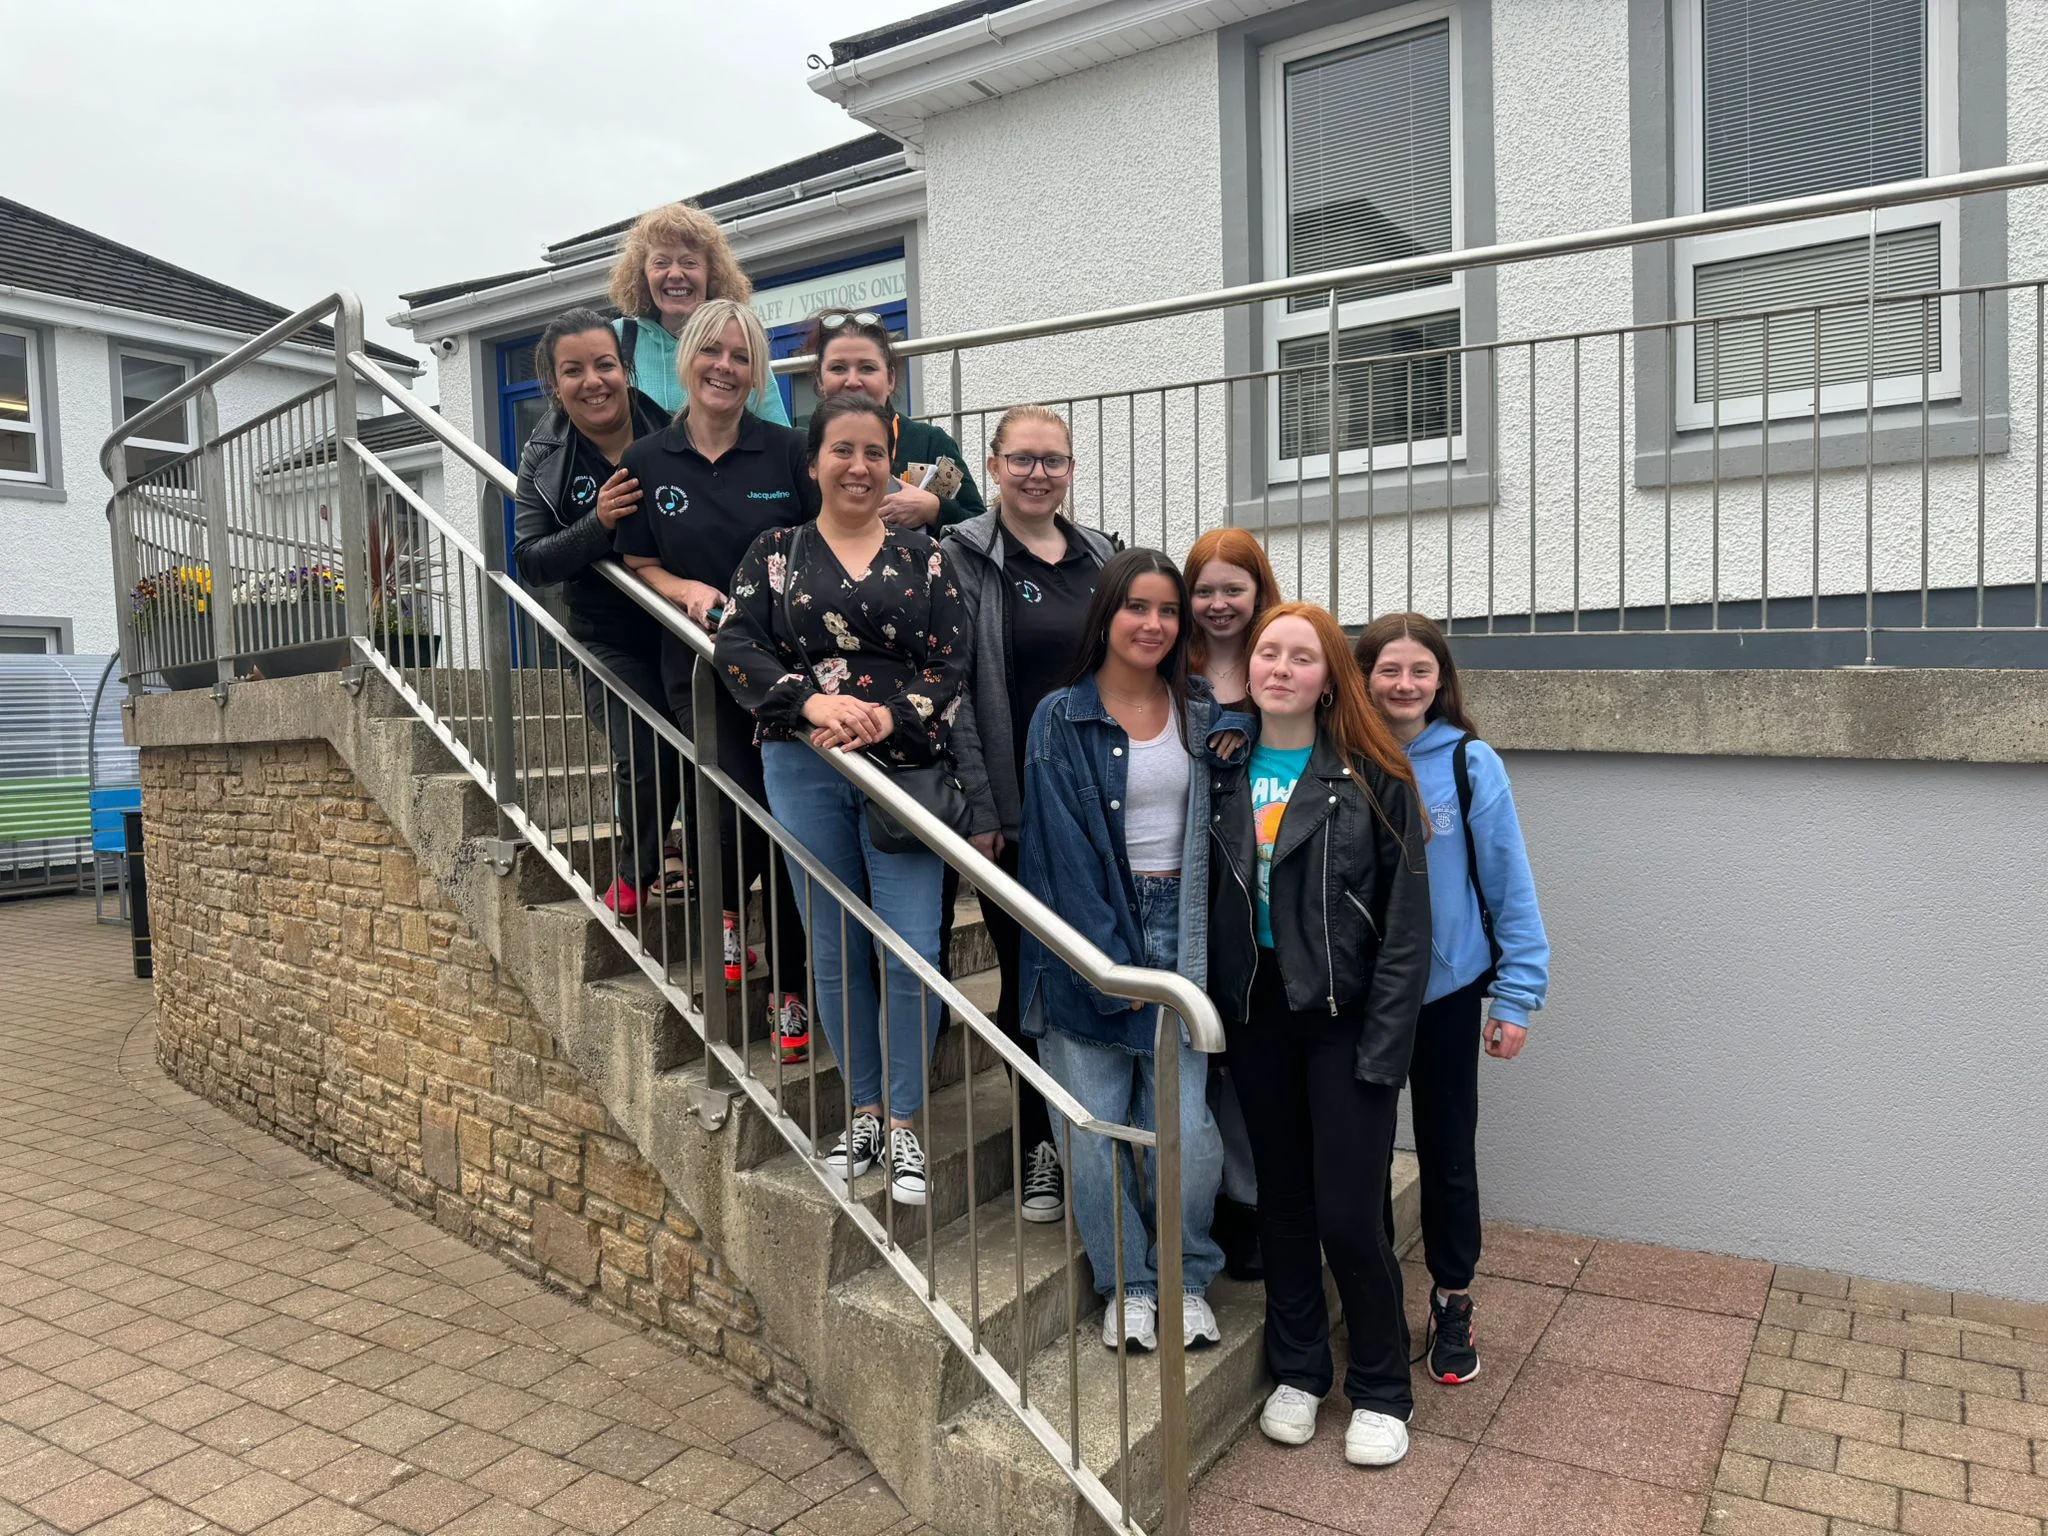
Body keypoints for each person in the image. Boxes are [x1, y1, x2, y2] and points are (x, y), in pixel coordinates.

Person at [713, 394, 978, 1206]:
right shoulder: (773, 552)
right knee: (831, 945)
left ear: (890, 458)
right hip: (804, 761)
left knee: (910, 948)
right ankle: (861, 1110)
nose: (859, 467)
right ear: (814, 461)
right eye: (841, 451)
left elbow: (951, 663)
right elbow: (735, 644)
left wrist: (888, 716)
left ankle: (903, 1125)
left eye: (873, 452)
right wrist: (813, 703)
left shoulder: (927, 557)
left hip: (904, 768)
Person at [1209, 601, 1430, 1469]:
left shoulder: (1376, 774)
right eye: (1269, 652)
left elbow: (1408, 928)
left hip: (1345, 1024)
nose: (1281, 668)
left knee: (1349, 1212)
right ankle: (1298, 1371)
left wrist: (1386, 1047)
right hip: (1259, 1015)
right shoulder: (1222, 766)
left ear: (1329, 675)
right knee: (1285, 1206)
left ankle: (1381, 1385)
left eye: (1302, 656)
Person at [1018, 549, 1234, 1355]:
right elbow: (1060, 856)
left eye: (1168, 611)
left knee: (1186, 1127)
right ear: (1105, 614)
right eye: (1137, 607)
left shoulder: (1206, 711)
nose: (1153, 624)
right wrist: (1112, 967)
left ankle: (1185, 1276)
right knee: (1095, 1129)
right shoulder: (1060, 717)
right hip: (1089, 932)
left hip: (1185, 926)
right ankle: (1129, 1285)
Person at [615, 299, 813, 1061]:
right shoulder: (648, 460)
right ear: (686, 361)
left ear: (754, 370)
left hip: (785, 671)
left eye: (740, 355)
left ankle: (790, 996)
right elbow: (639, 560)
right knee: (729, 805)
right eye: (711, 352)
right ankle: (728, 914)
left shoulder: (788, 451)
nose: (725, 367)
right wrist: (685, 590)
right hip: (697, 670)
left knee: (789, 824)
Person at [1356, 612, 1549, 1388]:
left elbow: (1509, 883)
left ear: (1442, 681)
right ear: (1363, 676)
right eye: (1388, 670)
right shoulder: (1339, 757)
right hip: (1362, 997)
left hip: (1446, 991)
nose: (1404, 685)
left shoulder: (1471, 763)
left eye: (1420, 672)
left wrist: (1516, 995)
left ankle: (1452, 1297)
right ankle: (1373, 1300)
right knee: (1362, 1157)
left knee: (1447, 1151)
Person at [945, 404, 1118, 1228]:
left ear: (1071, 468)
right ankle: (1040, 1147)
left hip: (1101, 812)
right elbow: (957, 695)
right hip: (1015, 815)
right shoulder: (962, 557)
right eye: (1022, 459)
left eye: (1053, 460)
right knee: (1026, 986)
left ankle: (1109, 1135)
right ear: (995, 463)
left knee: (1100, 975)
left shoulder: (1104, 559)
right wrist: (981, 804)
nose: (1038, 474)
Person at [510, 309, 676, 915]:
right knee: (646, 747)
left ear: (624, 368)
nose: (593, 380)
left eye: (604, 364)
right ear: (554, 385)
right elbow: (531, 559)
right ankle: (636, 873)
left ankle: (722, 892)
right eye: (573, 370)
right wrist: (599, 523)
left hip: (681, 628)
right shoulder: (545, 453)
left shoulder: (673, 431)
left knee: (712, 751)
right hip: (608, 636)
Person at [1180, 528, 1284, 1280]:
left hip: (1258, 887)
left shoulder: (1276, 666)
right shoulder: (1167, 668)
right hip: (1183, 880)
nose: (1218, 604)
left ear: (1259, 592)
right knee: (1197, 1049)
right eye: (1204, 589)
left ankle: (1251, 1201)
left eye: (1233, 589)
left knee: (1247, 1054)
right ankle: (1202, 1198)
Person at [607, 203, 790, 424]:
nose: (675, 274)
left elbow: (777, 432)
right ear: (642, 275)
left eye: (689, 263)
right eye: (661, 263)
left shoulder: (740, 341)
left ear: (712, 275)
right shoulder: (617, 339)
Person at [805, 308, 985, 529]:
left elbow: (979, 524)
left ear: (890, 379)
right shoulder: (805, 450)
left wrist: (934, 509)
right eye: (838, 368)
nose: (852, 380)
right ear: (820, 380)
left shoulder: (929, 444)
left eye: (867, 368)